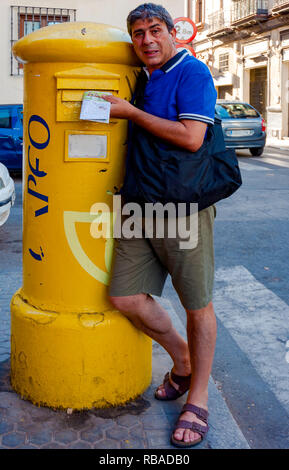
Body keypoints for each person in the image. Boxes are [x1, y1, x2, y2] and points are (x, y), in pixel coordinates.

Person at [102, 3, 217, 447]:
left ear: (174, 32)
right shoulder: (144, 76)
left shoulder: (193, 71)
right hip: (138, 205)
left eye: (154, 30)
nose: (146, 39)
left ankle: (199, 398)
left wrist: (129, 113)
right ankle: (182, 359)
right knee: (124, 296)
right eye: (137, 34)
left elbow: (192, 137)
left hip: (183, 207)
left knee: (197, 305)